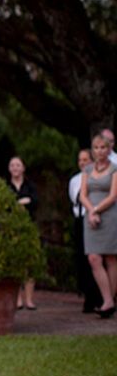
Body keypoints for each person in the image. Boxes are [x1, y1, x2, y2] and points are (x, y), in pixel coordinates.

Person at [80, 134, 117, 318]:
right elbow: (82, 194)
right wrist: (91, 211)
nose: (100, 151)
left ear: (108, 149)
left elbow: (113, 196)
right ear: (92, 150)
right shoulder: (87, 169)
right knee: (93, 258)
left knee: (111, 258)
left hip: (109, 215)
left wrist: (97, 209)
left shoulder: (115, 169)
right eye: (96, 147)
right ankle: (107, 299)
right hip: (91, 217)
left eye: (103, 147)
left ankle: (109, 302)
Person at [69, 149, 101, 314]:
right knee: (81, 259)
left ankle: (97, 297)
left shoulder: (98, 178)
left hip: (94, 219)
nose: (82, 162)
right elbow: (74, 201)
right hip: (79, 220)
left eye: (86, 159)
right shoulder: (74, 180)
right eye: (80, 160)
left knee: (94, 258)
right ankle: (87, 293)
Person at [6, 156, 39, 310]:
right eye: (12, 165)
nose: (15, 168)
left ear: (23, 168)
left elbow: (35, 202)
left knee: (29, 264)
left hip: (29, 227)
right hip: (12, 228)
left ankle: (29, 299)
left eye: (18, 165)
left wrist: (20, 202)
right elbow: (5, 206)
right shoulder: (6, 186)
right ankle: (17, 298)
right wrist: (22, 202)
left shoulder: (30, 185)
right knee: (15, 263)